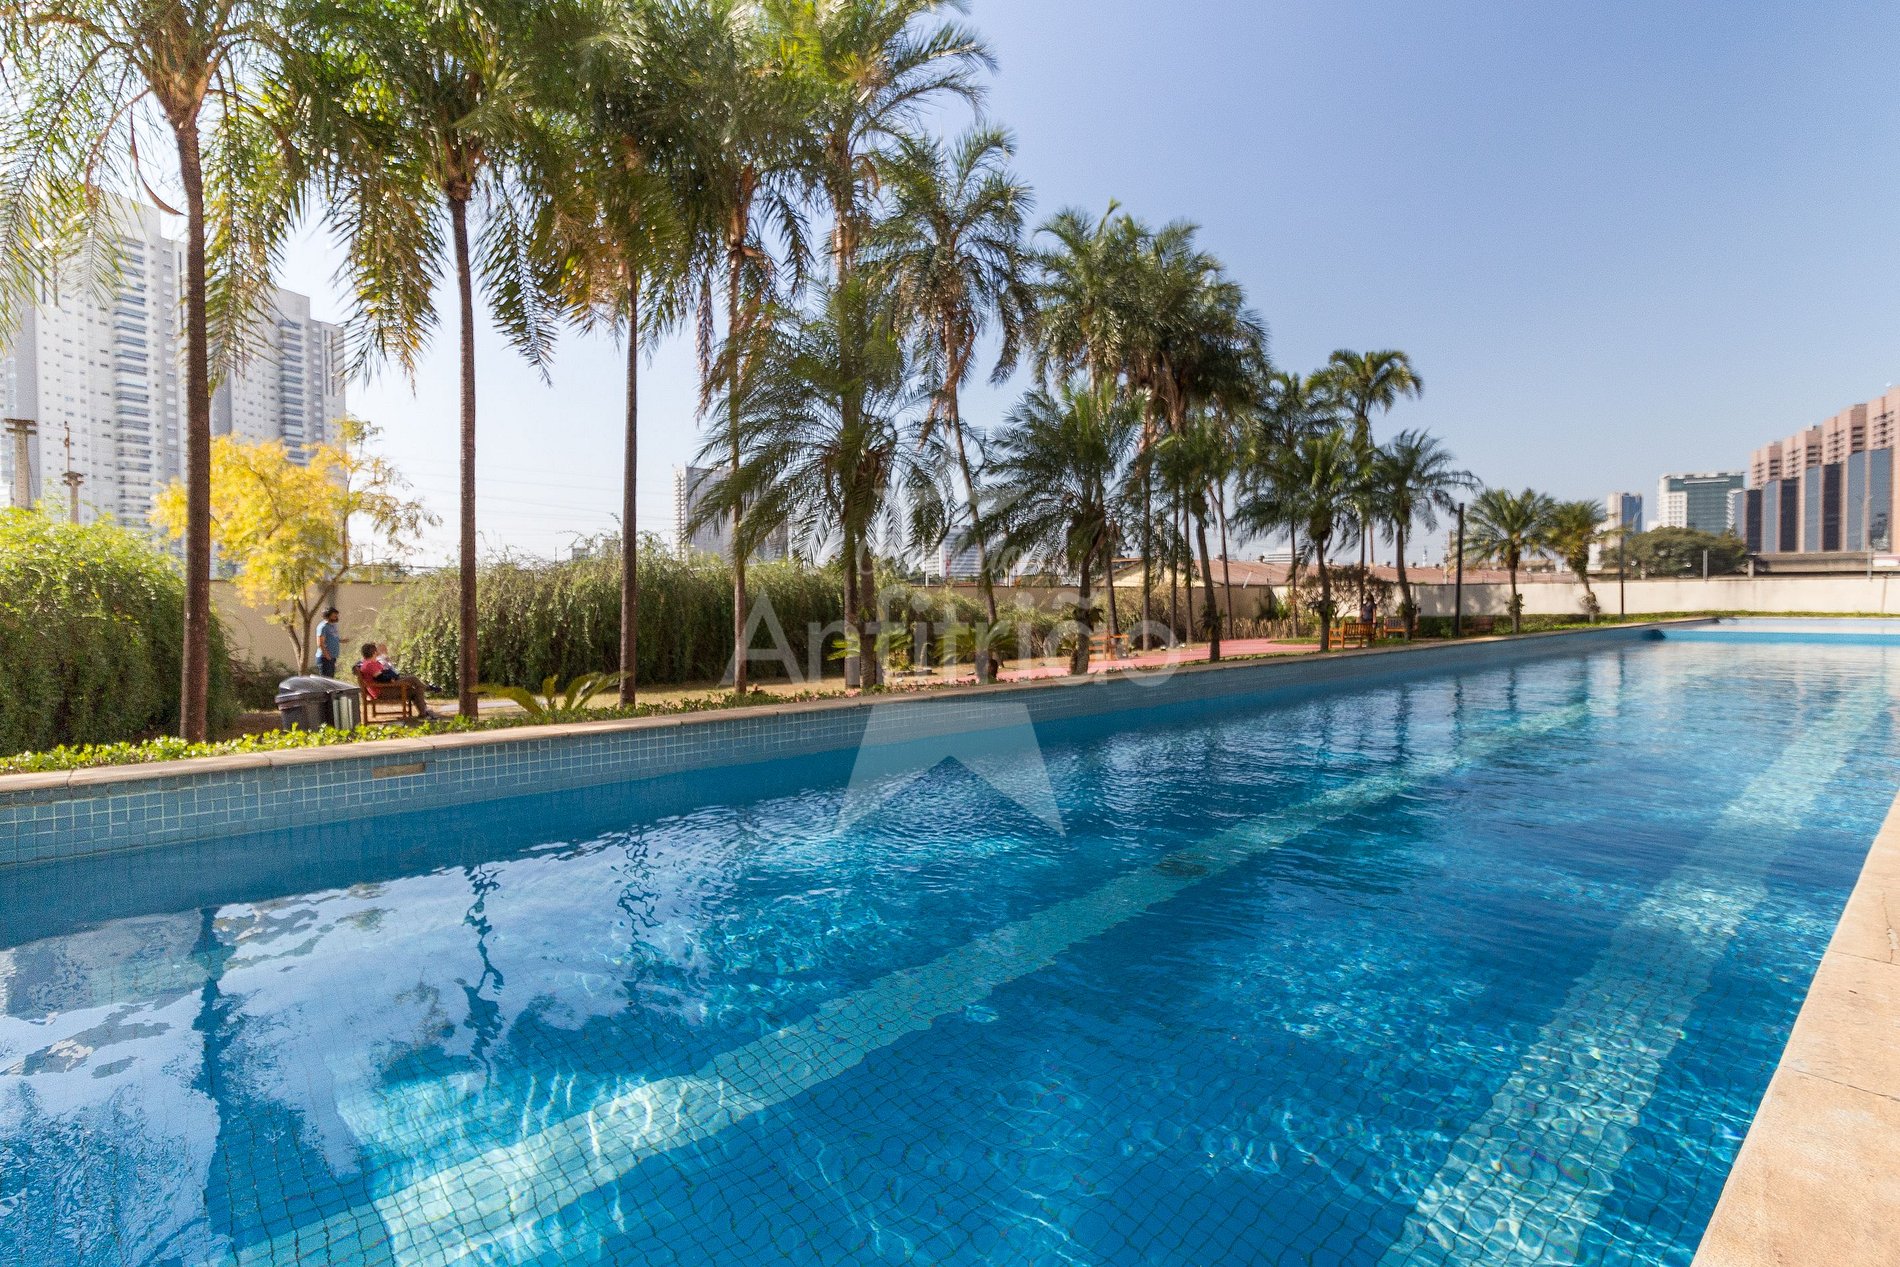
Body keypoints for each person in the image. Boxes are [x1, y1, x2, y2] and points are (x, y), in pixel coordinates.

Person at [353, 642, 438, 719]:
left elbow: (381, 676)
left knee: (416, 689)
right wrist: (391, 678)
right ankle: (427, 688)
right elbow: (381, 678)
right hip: (383, 691)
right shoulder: (369, 665)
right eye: (376, 651)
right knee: (413, 678)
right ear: (374, 652)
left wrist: (391, 676)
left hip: (385, 688)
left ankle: (423, 713)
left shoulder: (367, 663)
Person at [315, 607, 342, 678]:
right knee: (325, 681)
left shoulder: (334, 625)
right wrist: (327, 657)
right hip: (325, 659)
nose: (336, 617)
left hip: (332, 657)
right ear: (328, 616)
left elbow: (333, 638)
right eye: (334, 615)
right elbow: (320, 643)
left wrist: (342, 640)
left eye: (336, 615)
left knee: (331, 680)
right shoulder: (323, 627)